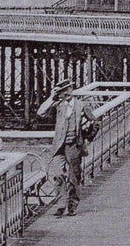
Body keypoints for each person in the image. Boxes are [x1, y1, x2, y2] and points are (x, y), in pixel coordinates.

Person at [38, 79, 93, 216]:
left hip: (74, 145)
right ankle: (61, 204)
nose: (66, 93)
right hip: (59, 146)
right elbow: (41, 113)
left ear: (72, 90)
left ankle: (72, 205)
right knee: (57, 174)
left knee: (74, 176)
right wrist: (52, 97)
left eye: (67, 90)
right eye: (62, 91)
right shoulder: (58, 105)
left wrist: (87, 138)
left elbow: (94, 122)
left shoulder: (82, 106)